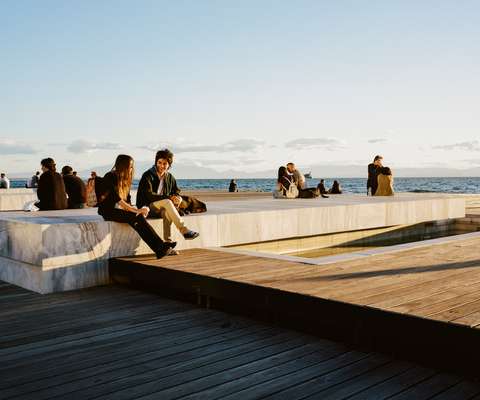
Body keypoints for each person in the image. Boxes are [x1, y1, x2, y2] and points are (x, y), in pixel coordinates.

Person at [97, 154, 175, 259]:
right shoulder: (110, 176)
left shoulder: (125, 179)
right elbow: (118, 200)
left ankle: (160, 247)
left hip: (119, 210)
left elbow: (127, 200)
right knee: (136, 216)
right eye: (129, 166)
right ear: (122, 165)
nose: (131, 169)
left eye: (132, 166)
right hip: (108, 211)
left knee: (138, 217)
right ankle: (160, 247)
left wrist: (138, 209)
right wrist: (135, 210)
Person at [136, 149, 200, 251]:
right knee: (167, 202)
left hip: (162, 208)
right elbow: (149, 195)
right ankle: (184, 231)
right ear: (156, 162)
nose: (161, 166)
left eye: (165, 163)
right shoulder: (147, 175)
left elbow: (176, 191)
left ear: (169, 165)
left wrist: (177, 198)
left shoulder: (170, 177)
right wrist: (169, 198)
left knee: (167, 211)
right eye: (159, 163)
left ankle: (168, 245)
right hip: (147, 208)